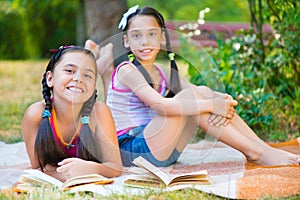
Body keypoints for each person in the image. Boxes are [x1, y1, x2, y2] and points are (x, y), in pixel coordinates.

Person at [93, 6, 300, 167]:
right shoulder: (127, 70)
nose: (144, 41)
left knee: (199, 93)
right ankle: (255, 153)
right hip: (133, 151)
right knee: (193, 99)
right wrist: (212, 104)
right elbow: (161, 107)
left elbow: (201, 93)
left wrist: (223, 100)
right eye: (137, 35)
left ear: (162, 37)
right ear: (127, 41)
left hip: (164, 151)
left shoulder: (164, 72)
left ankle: (261, 149)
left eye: (152, 34)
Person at [22, 45, 122, 182]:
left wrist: (90, 169)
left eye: (87, 75)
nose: (78, 78)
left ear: (93, 86)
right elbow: (39, 168)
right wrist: (68, 174)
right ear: (50, 79)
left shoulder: (99, 112)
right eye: (70, 70)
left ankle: (106, 66)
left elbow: (115, 167)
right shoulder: (35, 115)